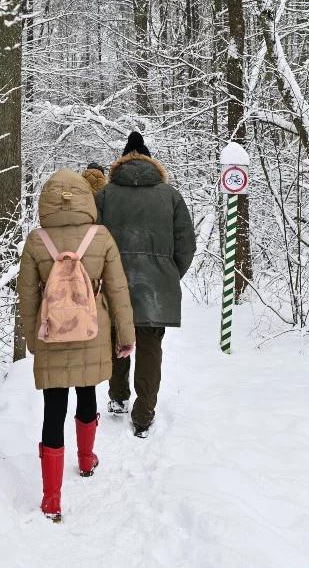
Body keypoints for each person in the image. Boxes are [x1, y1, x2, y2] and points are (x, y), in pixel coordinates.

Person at [17, 170, 136, 522]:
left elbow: (26, 297)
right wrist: (125, 336)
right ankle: (86, 461)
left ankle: (51, 498)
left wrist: (32, 339)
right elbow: (118, 290)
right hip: (92, 331)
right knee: (87, 393)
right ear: (87, 200)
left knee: (53, 410)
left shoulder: (36, 241)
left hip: (52, 332)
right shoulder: (101, 237)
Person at [95, 132, 196, 438]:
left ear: (121, 162)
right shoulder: (171, 196)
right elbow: (186, 245)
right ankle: (143, 414)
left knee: (116, 339)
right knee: (150, 348)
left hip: (115, 282)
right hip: (157, 285)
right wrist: (168, 274)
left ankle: (118, 396)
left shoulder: (104, 196)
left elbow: (92, 241)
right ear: (152, 162)